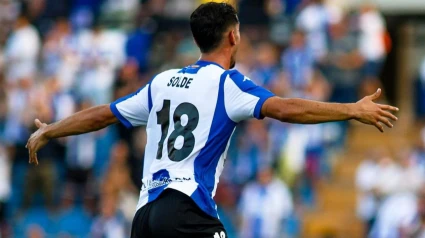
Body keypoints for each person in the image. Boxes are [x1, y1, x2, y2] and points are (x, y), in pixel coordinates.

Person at [26, 2, 399, 238]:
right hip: (186, 210)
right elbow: (285, 109)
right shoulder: (228, 85)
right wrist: (351, 109)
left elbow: (102, 115)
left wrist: (51, 129)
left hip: (144, 216)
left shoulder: (162, 81)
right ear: (234, 36)